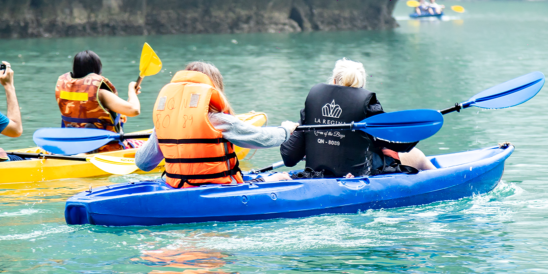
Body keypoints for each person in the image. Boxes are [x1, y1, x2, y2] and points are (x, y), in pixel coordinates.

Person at [134, 61, 295, 188]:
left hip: (179, 189)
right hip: (220, 190)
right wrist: (286, 130)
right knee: (280, 178)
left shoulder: (163, 124)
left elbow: (143, 163)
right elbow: (261, 139)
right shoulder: (219, 120)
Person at [277, 58, 434, 180]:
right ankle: (441, 177)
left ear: (333, 81)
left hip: (318, 174)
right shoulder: (367, 106)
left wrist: (290, 131)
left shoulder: (313, 104)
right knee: (417, 156)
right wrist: (415, 131)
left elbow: (289, 157)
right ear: (361, 84)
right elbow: (399, 145)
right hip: (358, 174)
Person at [55, 50, 141, 152]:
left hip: (74, 146)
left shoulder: (65, 90)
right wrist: (131, 90)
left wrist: (131, 97)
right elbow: (134, 110)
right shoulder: (101, 93)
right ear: (97, 69)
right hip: (105, 149)